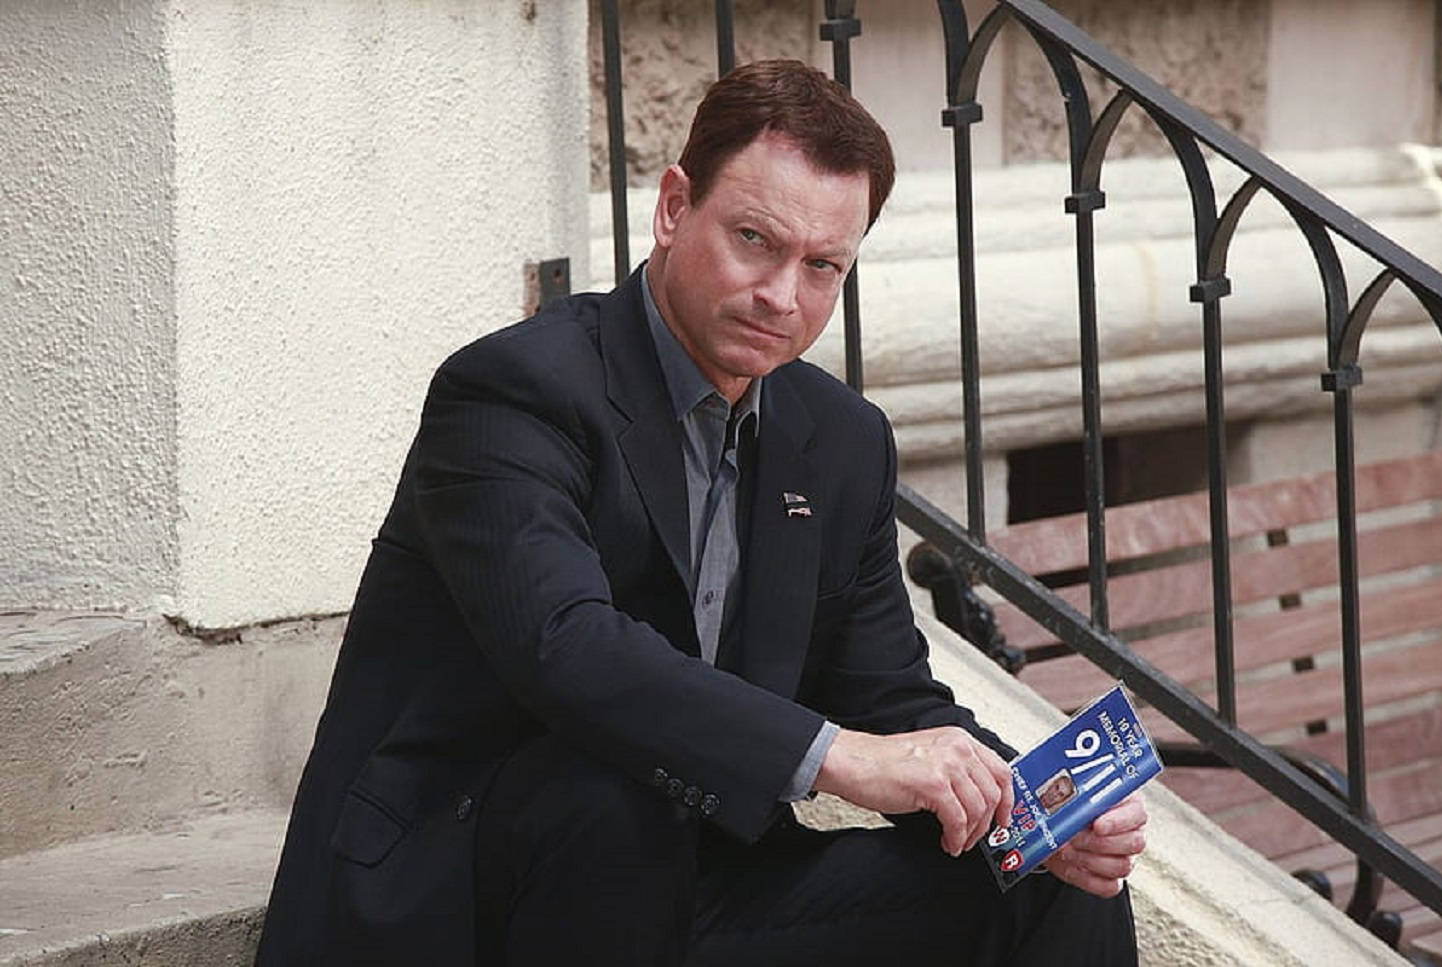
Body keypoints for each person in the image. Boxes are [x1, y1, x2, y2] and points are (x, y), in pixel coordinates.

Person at [255, 59, 1147, 966]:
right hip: (475, 881)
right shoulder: (515, 389)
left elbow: (888, 692)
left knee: (1042, 879)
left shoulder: (840, 441)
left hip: (703, 881)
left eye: (822, 266)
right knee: (613, 794)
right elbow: (566, 647)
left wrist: (1035, 801)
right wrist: (837, 756)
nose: (782, 297)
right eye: (755, 240)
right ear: (674, 207)